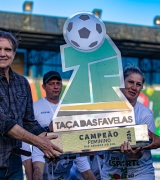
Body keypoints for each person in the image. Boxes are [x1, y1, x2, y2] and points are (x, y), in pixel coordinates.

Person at [0, 30, 62, 180]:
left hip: (14, 161)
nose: (3, 54)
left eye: (7, 49)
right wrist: (41, 143)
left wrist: (55, 142)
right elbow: (4, 123)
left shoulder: (22, 83)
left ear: (14, 54)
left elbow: (29, 121)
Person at [23, 71, 95, 180]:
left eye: (58, 83)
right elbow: (26, 138)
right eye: (51, 84)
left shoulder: (69, 108)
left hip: (66, 162)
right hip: (43, 157)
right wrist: (30, 174)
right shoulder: (34, 107)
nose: (55, 86)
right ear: (43, 86)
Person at [100, 66, 155, 180]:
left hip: (141, 174)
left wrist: (133, 154)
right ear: (121, 83)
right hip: (111, 174)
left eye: (138, 84)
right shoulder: (104, 111)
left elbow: (141, 152)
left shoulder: (146, 115)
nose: (134, 87)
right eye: (130, 82)